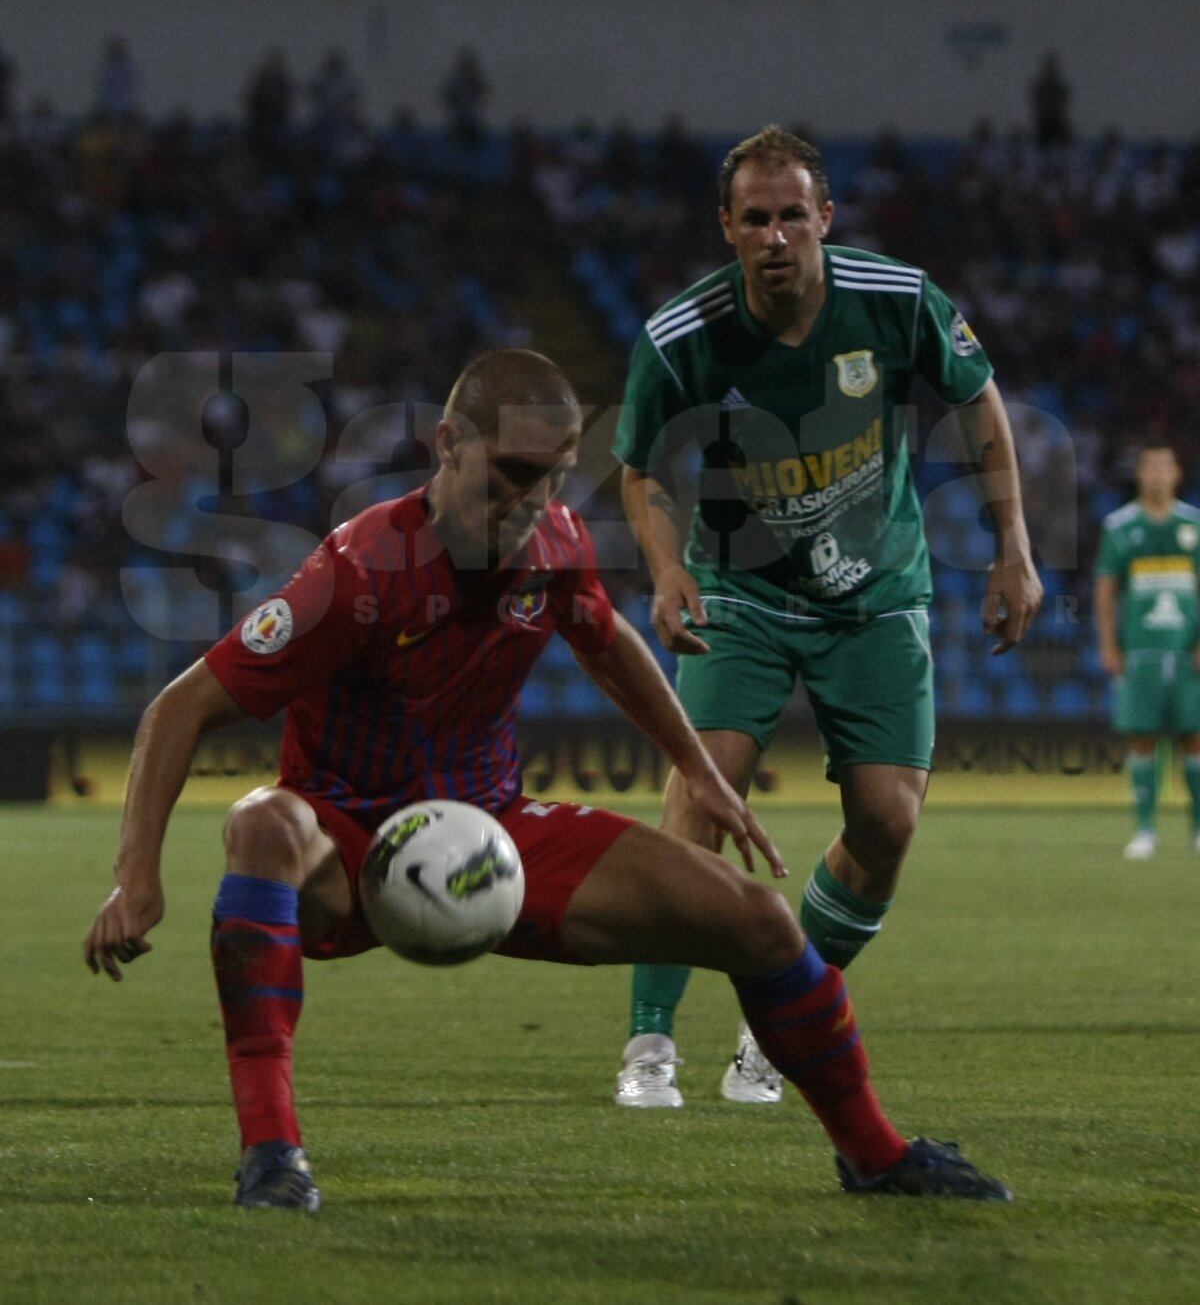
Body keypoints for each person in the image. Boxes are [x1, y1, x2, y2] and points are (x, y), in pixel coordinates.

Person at [84, 349, 1011, 1210]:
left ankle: (876, 1155)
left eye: (556, 475)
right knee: (260, 824)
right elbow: (180, 707)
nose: (534, 499)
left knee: (760, 921)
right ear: (449, 445)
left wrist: (694, 762)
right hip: (350, 841)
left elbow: (607, 642)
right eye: (515, 473)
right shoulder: (358, 571)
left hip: (496, 835)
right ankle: (272, 1154)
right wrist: (138, 874)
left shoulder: (556, 540)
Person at [611, 126, 1042, 1109]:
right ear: (727, 228)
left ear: (825, 219)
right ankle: (649, 1042)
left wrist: (1014, 545)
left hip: (876, 594)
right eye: (754, 219)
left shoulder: (896, 301)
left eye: (792, 215)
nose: (775, 236)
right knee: (705, 790)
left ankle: (774, 1030)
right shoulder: (681, 337)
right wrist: (669, 568)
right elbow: (638, 469)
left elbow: (980, 400)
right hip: (744, 595)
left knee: (887, 822)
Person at [1095, 444, 1200, 858]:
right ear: (1139, 474)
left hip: (1187, 652)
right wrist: (1108, 644)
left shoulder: (1194, 525)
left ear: (1177, 473)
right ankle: (1145, 829)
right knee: (1142, 740)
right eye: (1150, 467)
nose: (1157, 474)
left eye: (1164, 466)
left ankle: (1197, 830)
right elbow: (1106, 590)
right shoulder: (1120, 527)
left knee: (1195, 739)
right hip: (1140, 653)